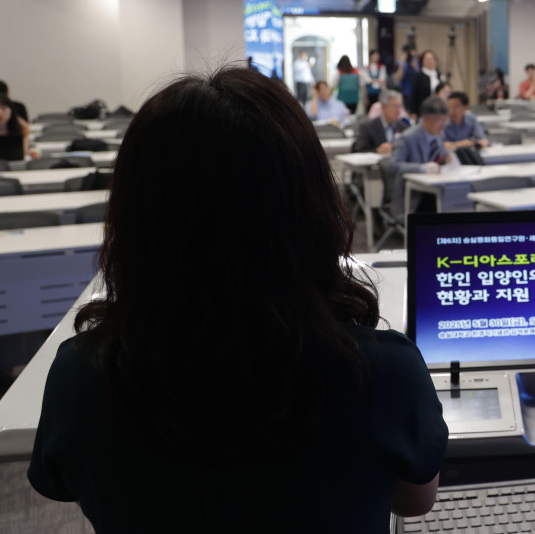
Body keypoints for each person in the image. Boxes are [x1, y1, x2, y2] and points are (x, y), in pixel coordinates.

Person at [26, 67, 446, 532]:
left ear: (134, 218)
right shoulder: (382, 370)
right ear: (312, 208)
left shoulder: (81, 374)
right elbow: (414, 501)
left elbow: (72, 486)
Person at [388, 97, 458, 218]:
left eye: (445, 121)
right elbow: (393, 165)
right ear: (425, 118)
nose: (442, 126)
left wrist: (447, 159)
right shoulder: (408, 137)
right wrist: (422, 168)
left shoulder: (439, 135)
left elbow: (440, 158)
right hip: (415, 197)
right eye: (438, 121)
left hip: (435, 189)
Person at [352, 90, 410, 154]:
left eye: (400, 106)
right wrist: (377, 151)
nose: (398, 110)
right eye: (395, 106)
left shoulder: (404, 127)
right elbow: (359, 151)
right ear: (383, 107)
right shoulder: (368, 127)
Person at [407, 51, 441, 117]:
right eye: (427, 59)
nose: (430, 61)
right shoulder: (418, 76)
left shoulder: (439, 75)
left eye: (431, 59)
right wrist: (413, 111)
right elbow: (413, 94)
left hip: (438, 108)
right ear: (422, 61)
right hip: (423, 108)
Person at [0, 95, 32, 161]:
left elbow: (24, 153)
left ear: (11, 110)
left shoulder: (21, 127)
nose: (0, 113)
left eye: (4, 108)